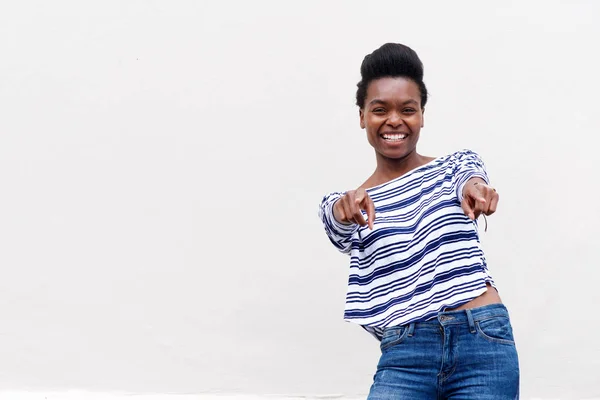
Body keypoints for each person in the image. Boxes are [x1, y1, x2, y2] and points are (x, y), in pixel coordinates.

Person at [318, 43, 519, 399]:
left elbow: (471, 178)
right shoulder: (352, 203)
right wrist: (343, 208)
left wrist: (477, 190)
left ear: (422, 115)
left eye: (407, 110)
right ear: (362, 115)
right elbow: (336, 223)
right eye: (380, 109)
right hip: (405, 354)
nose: (394, 120)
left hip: (482, 339)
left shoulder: (452, 167)